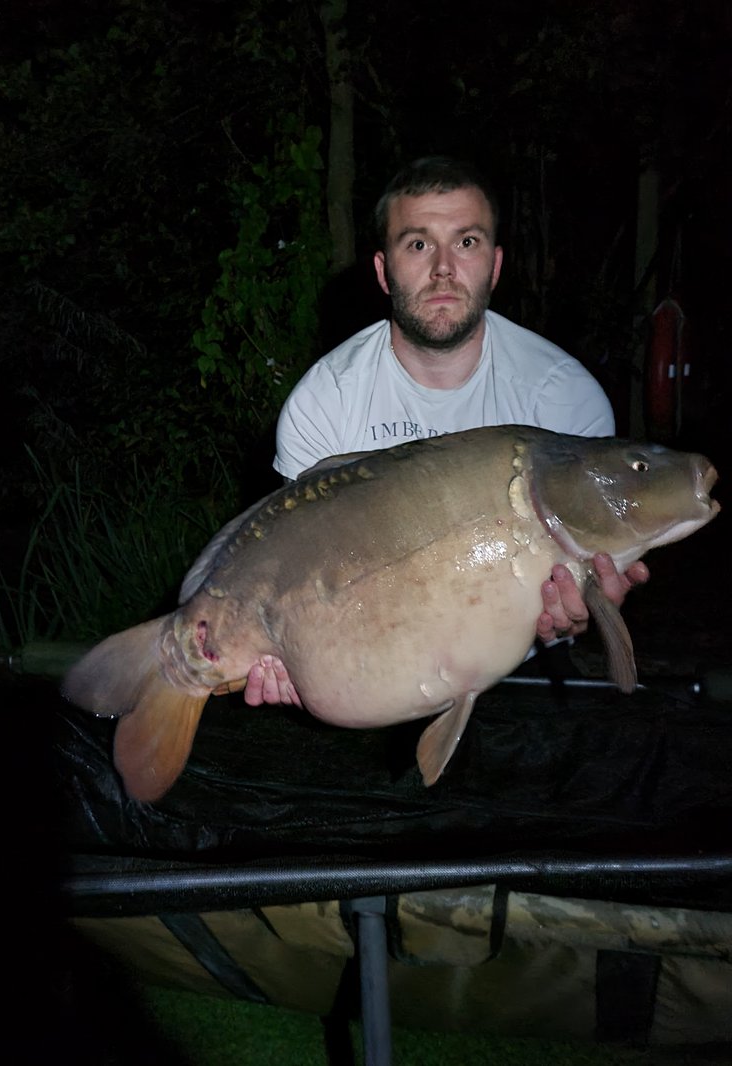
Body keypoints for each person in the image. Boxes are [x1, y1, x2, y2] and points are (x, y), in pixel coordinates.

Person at [245, 156, 648, 706]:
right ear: (384, 270)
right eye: (417, 244)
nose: (442, 268)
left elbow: (587, 581)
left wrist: (586, 610)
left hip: (522, 670)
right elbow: (291, 575)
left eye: (466, 243)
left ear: (495, 265)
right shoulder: (325, 401)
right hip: (371, 663)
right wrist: (292, 652)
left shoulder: (562, 398)